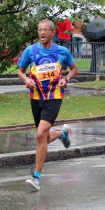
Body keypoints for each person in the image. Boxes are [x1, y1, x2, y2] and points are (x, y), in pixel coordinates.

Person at [17, 19, 78, 191]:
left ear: (53, 33)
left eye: (45, 30)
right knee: (41, 136)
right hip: (36, 97)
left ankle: (36, 176)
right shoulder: (30, 51)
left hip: (54, 96)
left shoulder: (62, 51)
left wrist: (66, 79)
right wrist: (27, 80)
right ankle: (62, 134)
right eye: (39, 30)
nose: (42, 33)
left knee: (40, 133)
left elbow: (74, 69)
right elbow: (21, 72)